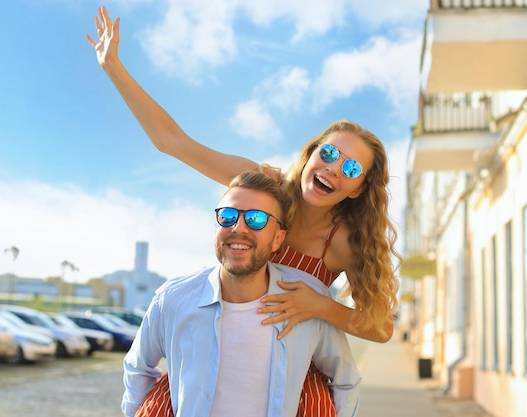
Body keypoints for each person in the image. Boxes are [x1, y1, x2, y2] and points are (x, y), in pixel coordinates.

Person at [88, 6, 400, 417]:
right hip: (219, 345)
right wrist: (113, 67)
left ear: (359, 188)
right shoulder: (261, 188)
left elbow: (380, 327)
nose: (333, 168)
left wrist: (320, 306)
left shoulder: (344, 243)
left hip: (285, 368)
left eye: (351, 168)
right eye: (328, 153)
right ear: (310, 155)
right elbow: (173, 141)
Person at [121, 170, 361, 417]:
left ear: (278, 239)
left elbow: (345, 380)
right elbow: (138, 368)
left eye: (256, 219)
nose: (239, 228)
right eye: (227, 216)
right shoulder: (172, 299)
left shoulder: (307, 298)